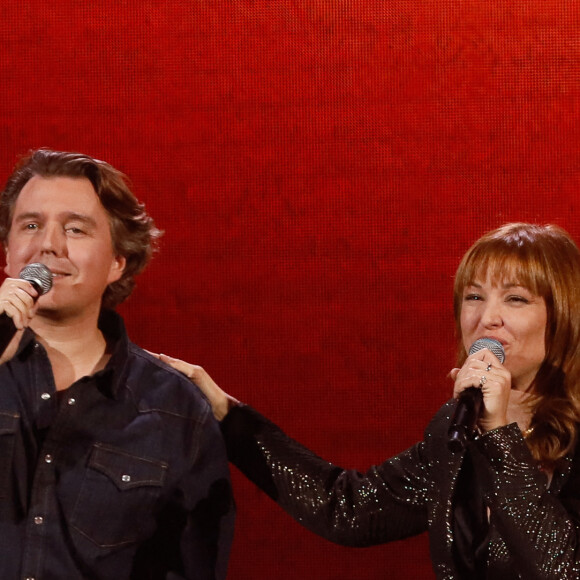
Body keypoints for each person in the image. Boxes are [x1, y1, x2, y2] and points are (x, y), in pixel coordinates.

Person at [158, 223, 580, 579]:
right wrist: (229, 418)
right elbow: (348, 510)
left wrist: (498, 436)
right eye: (473, 296)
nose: (486, 317)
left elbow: (562, 568)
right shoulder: (456, 428)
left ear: (564, 314)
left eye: (516, 298)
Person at [0, 149, 235, 579]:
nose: (48, 244)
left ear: (117, 262)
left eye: (75, 228)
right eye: (30, 225)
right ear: (8, 255)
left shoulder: (175, 409)